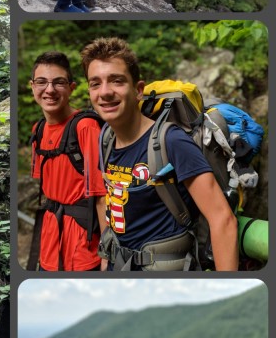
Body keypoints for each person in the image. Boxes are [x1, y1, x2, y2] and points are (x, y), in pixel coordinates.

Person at [80, 37, 239, 270]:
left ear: (138, 90)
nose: (105, 92)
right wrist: (107, 261)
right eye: (96, 83)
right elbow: (111, 202)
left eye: (117, 81)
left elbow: (222, 220)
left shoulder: (172, 141)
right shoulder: (106, 138)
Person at [28, 52, 107, 271]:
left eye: (59, 83)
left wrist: (107, 259)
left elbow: (102, 197)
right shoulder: (39, 130)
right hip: (50, 246)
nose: (50, 90)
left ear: (71, 87)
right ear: (32, 86)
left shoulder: (86, 127)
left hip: (83, 251)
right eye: (42, 82)